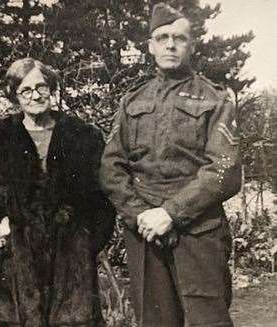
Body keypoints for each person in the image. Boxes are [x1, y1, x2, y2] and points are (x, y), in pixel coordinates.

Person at [100, 3, 241, 327]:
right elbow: (111, 167)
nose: (171, 44)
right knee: (154, 321)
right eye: (162, 37)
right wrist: (141, 216)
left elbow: (224, 169)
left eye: (179, 38)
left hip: (198, 232)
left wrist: (171, 213)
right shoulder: (132, 100)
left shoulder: (215, 99)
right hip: (145, 233)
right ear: (150, 46)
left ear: (192, 45)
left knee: (208, 321)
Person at [0, 58, 115, 327]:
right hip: (15, 263)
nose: (35, 96)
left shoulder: (83, 135)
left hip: (72, 266)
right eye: (26, 90)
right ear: (15, 96)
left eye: (41, 87)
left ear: (51, 89)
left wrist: (86, 242)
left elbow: (102, 196)